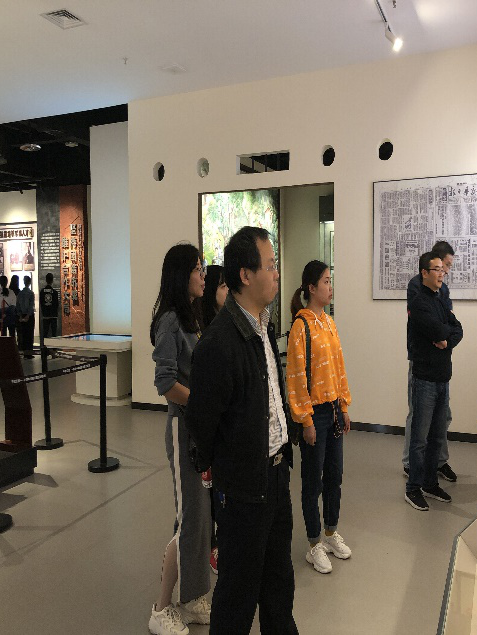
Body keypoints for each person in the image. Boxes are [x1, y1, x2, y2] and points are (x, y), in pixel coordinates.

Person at [186, 226, 298, 635]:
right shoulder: (218, 343)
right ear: (246, 275)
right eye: (270, 265)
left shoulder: (264, 325)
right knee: (237, 595)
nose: (277, 273)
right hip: (243, 487)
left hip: (276, 476)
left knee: (278, 584)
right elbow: (201, 423)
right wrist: (228, 473)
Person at [149, 244, 211, 635]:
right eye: (198, 270)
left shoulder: (193, 317)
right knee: (189, 519)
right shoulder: (171, 321)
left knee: (201, 518)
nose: (203, 276)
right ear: (181, 274)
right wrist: (202, 402)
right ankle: (160, 608)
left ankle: (191, 598)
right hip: (182, 428)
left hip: (199, 430)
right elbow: (165, 382)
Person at [286, 260, 352, 574]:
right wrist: (306, 420)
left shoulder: (329, 322)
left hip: (334, 410)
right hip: (314, 415)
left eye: (330, 280)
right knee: (312, 481)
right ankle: (314, 543)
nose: (330, 286)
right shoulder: (301, 327)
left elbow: (339, 367)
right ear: (311, 288)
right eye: (325, 281)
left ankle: (330, 532)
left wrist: (344, 405)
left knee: (334, 476)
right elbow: (296, 378)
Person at [405, 252, 463, 512]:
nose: (442, 273)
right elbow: (441, 329)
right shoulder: (419, 303)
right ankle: (413, 488)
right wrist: (445, 333)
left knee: (437, 436)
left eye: (443, 269)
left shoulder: (440, 300)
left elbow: (458, 329)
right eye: (437, 269)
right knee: (420, 439)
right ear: (424, 273)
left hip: (443, 378)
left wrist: (446, 341)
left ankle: (430, 483)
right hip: (425, 380)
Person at [199, 264, 229, 575]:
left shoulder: (226, 324)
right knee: (207, 493)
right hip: (209, 426)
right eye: (221, 286)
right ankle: (210, 546)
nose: (227, 291)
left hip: (225, 426)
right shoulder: (205, 330)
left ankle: (220, 541)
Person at [16, 275, 35, 359]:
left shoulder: (20, 293)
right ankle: (29, 353)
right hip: (29, 316)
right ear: (29, 282)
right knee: (30, 334)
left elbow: (18, 306)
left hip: (22, 315)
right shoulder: (31, 293)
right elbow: (31, 305)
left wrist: (20, 315)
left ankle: (24, 352)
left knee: (23, 334)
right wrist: (28, 315)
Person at [40, 273, 59, 338]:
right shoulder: (55, 292)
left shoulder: (42, 292)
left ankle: (44, 344)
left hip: (45, 315)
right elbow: (56, 304)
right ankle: (53, 344)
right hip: (53, 315)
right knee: (54, 333)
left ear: (46, 280)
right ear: (52, 280)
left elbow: (41, 303)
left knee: (45, 332)